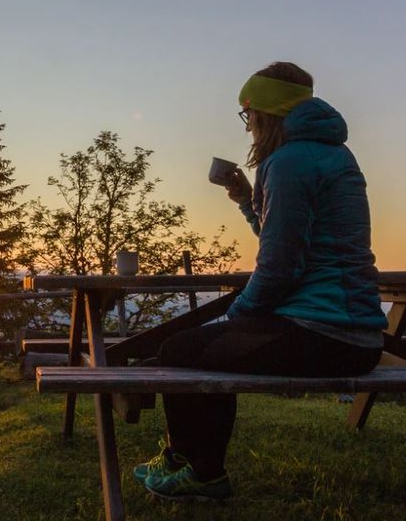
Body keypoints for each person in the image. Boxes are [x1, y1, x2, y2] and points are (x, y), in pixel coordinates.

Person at [134, 61, 386, 501]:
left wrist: (235, 314)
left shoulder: (287, 162)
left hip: (325, 334)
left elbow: (279, 269)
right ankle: (183, 460)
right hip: (354, 331)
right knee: (196, 345)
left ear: (265, 113)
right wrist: (247, 200)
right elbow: (289, 242)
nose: (247, 125)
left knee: (180, 352)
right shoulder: (331, 153)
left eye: (247, 114)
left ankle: (202, 471)